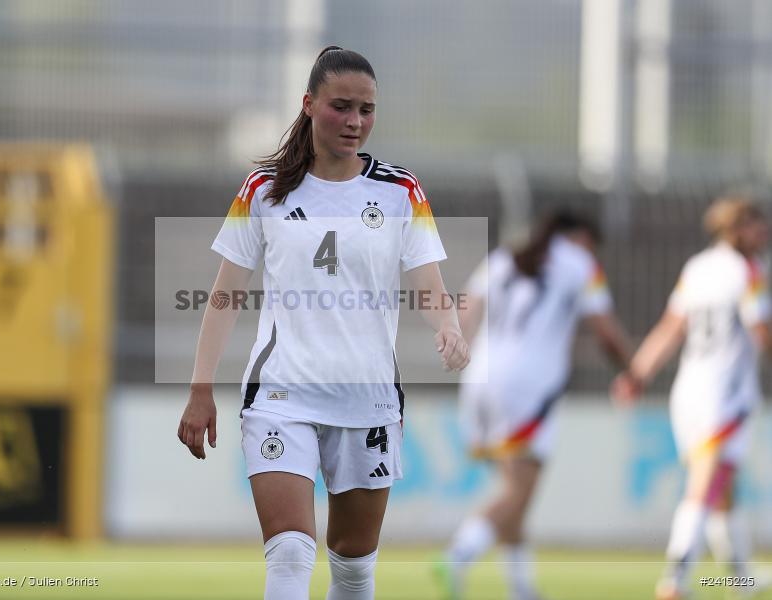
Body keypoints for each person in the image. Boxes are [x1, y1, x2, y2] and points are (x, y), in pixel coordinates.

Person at [177, 46, 470, 600]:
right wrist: (199, 389)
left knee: (354, 571)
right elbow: (223, 296)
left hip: (368, 400)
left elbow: (429, 285)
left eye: (367, 109)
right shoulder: (263, 189)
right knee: (289, 552)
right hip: (281, 395)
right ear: (309, 105)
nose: (355, 121)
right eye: (342, 106)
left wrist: (448, 326)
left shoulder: (400, 190)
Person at [437, 210, 633, 600]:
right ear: (579, 237)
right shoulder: (580, 264)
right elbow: (606, 331)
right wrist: (634, 369)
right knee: (520, 489)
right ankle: (459, 554)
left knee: (514, 487)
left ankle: (521, 587)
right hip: (530, 387)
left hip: (480, 379)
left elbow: (467, 311)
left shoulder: (505, 257)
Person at [612, 195, 772, 600]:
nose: (764, 231)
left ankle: (738, 578)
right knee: (705, 485)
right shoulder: (749, 270)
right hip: (727, 395)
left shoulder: (697, 268)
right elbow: (762, 331)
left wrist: (637, 373)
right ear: (735, 230)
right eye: (756, 224)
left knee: (721, 487)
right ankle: (675, 580)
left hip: (688, 393)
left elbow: (670, 327)